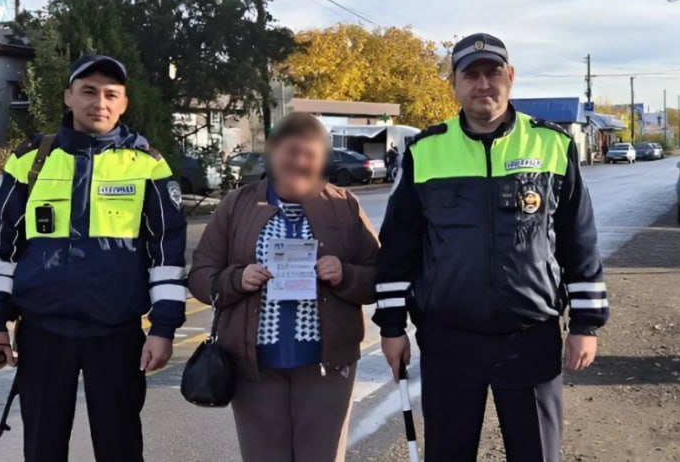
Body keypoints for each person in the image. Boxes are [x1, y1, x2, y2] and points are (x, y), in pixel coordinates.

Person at [373, 33, 609, 462]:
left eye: (493, 72)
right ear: (455, 84)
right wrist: (391, 327)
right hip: (449, 340)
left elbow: (579, 240)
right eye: (471, 75)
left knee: (536, 455)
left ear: (510, 77)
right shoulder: (426, 151)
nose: (483, 84)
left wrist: (585, 324)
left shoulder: (551, 144)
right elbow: (398, 247)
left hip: (530, 336)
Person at [0, 54, 187, 462]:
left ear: (124, 103)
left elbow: (167, 253)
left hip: (116, 333)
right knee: (43, 447)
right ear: (68, 97)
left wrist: (163, 328)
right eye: (88, 91)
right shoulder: (29, 160)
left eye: (111, 94)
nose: (99, 103)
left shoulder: (148, 165)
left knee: (120, 446)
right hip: (43, 332)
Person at [189, 113, 379, 462]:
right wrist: (236, 279)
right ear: (272, 154)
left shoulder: (343, 205)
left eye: (310, 154)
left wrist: (345, 274)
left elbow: (379, 276)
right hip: (253, 367)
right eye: (290, 152)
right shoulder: (238, 204)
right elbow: (201, 274)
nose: (300, 162)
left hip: (326, 366)